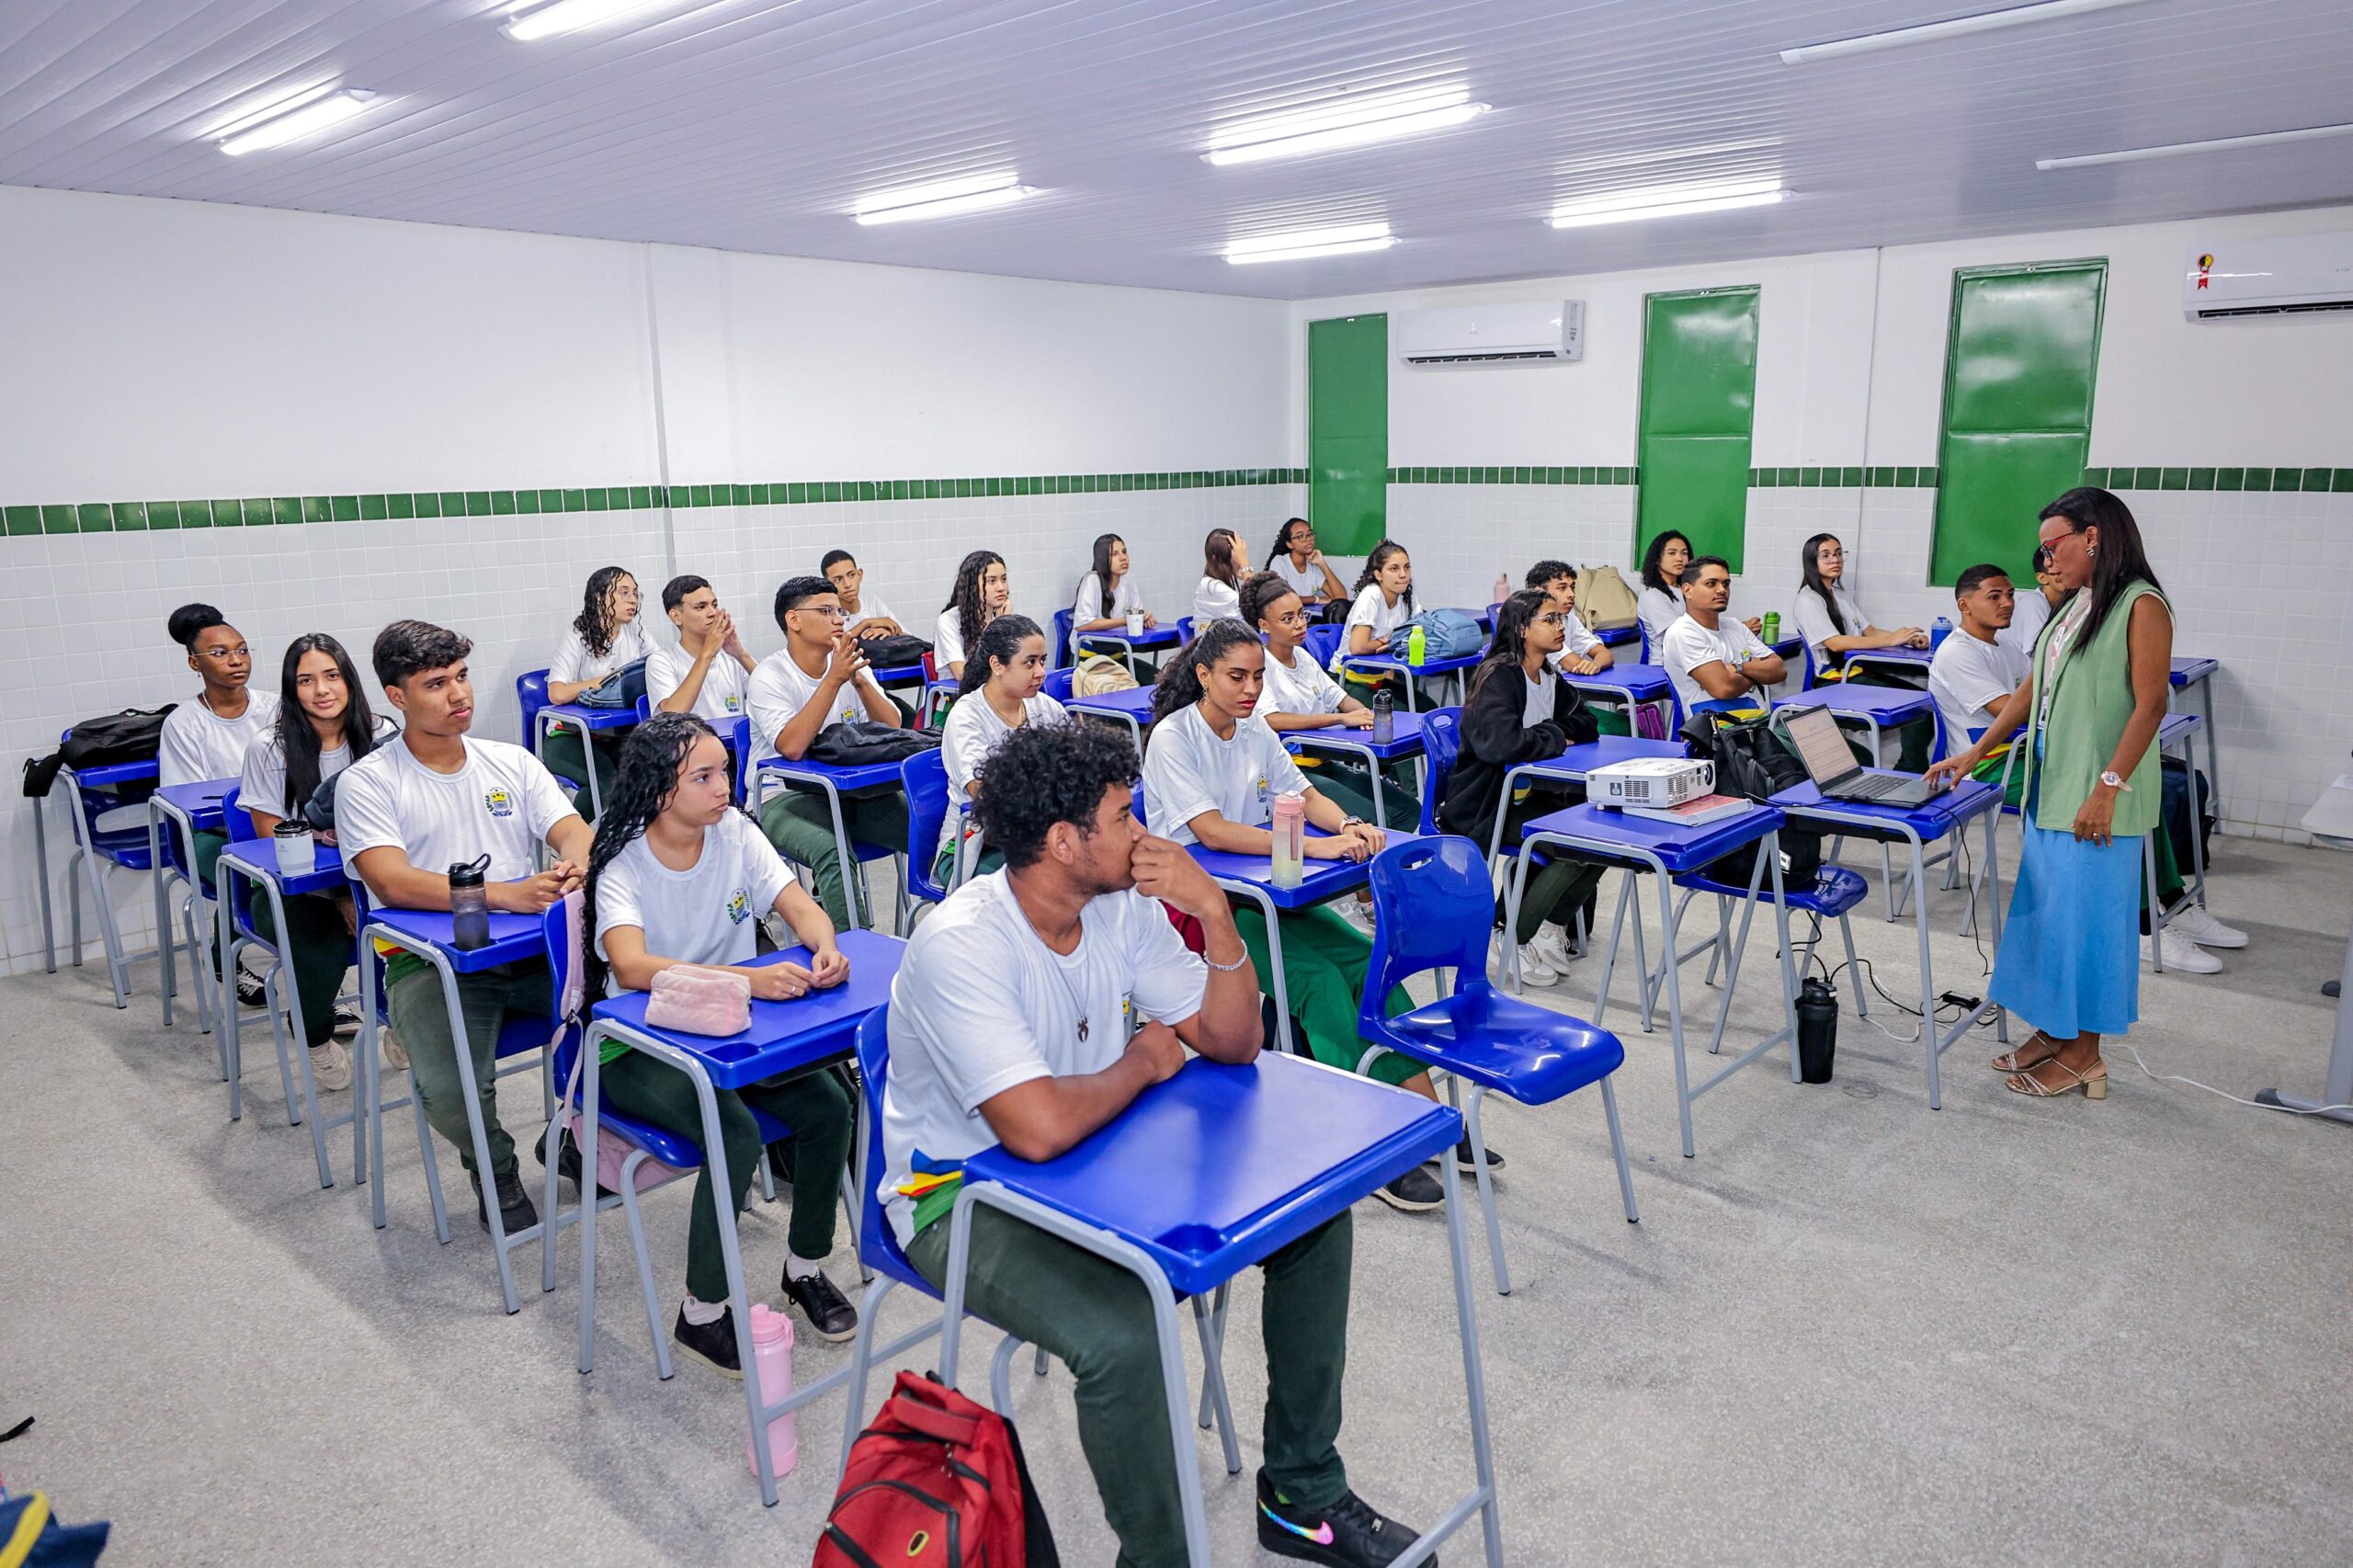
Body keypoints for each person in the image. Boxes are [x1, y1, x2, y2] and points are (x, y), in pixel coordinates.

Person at [881, 719, 1429, 1568]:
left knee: (1314, 1222)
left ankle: (1299, 1493)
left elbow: (1231, 1040)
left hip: (1098, 1158)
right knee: (1123, 1330)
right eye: (1125, 817)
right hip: (957, 1194)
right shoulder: (964, 944)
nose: (1143, 834)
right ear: (1065, 842)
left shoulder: (1117, 906)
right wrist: (1142, 1058)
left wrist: (1212, 908)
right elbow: (1035, 1129)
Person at [1143, 620, 1474, 1212]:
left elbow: (1304, 795)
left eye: (1257, 677)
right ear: (1202, 675)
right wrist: (1309, 848)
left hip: (1265, 891)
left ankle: (1426, 1114)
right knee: (1319, 982)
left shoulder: (1253, 730)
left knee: (1368, 959)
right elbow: (1210, 830)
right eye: (1236, 676)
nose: (1250, 689)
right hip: (1197, 906)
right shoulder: (1174, 737)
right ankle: (1371, 1142)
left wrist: (1344, 824)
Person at [585, 711, 859, 1358]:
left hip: (733, 1031)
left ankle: (805, 1268)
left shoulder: (735, 833)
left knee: (830, 1105)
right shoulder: (624, 860)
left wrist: (824, 946)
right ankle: (701, 1308)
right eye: (702, 777)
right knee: (730, 1132)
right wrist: (745, 979)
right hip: (640, 1040)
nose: (723, 787)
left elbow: (796, 903)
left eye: (724, 771)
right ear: (658, 791)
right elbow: (630, 967)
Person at [337, 619, 591, 1235]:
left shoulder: (510, 761)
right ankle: (494, 1167)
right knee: (449, 1092)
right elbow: (391, 881)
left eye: (461, 677)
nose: (458, 695)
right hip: (431, 964)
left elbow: (571, 828)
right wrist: (507, 895)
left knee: (630, 1018)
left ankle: (577, 1135)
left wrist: (577, 865)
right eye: (435, 684)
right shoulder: (367, 782)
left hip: (533, 953)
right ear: (397, 697)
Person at [1925, 487, 2175, 1100]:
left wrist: (2107, 788)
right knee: (2047, 921)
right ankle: (2053, 1031)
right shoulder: (2075, 605)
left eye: (2052, 546)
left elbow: (2152, 703)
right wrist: (1974, 752)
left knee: (2090, 925)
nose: (2046, 562)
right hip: (2052, 787)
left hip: (2097, 796)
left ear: (2094, 536)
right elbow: (2033, 689)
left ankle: (2086, 1052)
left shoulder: (2141, 605)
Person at [239, 633, 389, 1089]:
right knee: (321, 943)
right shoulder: (268, 747)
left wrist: (356, 893)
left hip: (370, 880)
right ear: (291, 689)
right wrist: (341, 895)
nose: (322, 690)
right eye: (306, 680)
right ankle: (314, 1033)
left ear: (349, 681)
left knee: (416, 929)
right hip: (291, 890)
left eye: (332, 676)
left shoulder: (383, 734)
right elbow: (273, 845)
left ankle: (402, 1021)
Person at [1440, 590, 1608, 987]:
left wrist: (1547, 732)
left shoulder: (1547, 673)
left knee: (1603, 839)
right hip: (1485, 803)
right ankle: (1509, 934)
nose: (1560, 625)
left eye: (1559, 619)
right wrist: (1552, 735)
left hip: (1532, 796)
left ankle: (1549, 925)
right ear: (1521, 629)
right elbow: (1500, 744)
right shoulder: (1500, 675)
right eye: (1549, 620)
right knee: (1565, 841)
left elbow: (1586, 723)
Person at [746, 575, 910, 928]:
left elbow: (893, 725)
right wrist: (833, 679)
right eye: (826, 611)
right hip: (782, 797)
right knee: (832, 851)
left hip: (852, 793)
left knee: (925, 827)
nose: (839, 619)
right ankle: (857, 948)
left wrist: (859, 680)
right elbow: (791, 747)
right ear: (794, 620)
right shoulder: (769, 675)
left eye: (839, 611)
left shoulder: (846, 664)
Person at [159, 604, 281, 1008]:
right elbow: (187, 803)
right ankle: (222, 957)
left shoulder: (276, 708)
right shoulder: (183, 722)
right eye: (220, 653)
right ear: (194, 662)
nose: (236, 660)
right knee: (246, 869)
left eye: (243, 650)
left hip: (273, 827)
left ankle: (311, 976)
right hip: (207, 836)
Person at [1238, 571, 1410, 839]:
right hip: (1291, 769)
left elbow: (1340, 698)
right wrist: (1340, 719)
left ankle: (1376, 872)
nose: (1299, 624)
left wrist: (1363, 713)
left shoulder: (1303, 658)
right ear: (1264, 624)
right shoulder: (1260, 666)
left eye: (1301, 614)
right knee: (1378, 817)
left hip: (1324, 761)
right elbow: (1272, 720)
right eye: (1288, 619)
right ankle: (1369, 871)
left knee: (1408, 810)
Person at [937, 614, 1063, 886]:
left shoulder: (1046, 708)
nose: (1041, 672)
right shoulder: (967, 716)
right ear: (997, 664)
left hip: (1037, 832)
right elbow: (983, 793)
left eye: (1042, 661)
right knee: (1045, 877)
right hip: (973, 842)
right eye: (1030, 662)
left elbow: (1076, 769)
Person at [1793, 532, 1933, 771]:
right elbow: (1835, 643)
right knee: (1917, 707)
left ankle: (1908, 771)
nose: (1835, 560)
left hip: (1853, 674)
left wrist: (1906, 639)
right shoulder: (1809, 600)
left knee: (1923, 701)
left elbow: (1869, 631)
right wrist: (1891, 639)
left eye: (1838, 554)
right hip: (1833, 681)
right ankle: (1910, 773)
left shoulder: (1839, 595)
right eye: (1826, 556)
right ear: (1811, 561)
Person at [543, 565, 654, 820]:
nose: (632, 600)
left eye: (635, 593)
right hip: (569, 738)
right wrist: (601, 682)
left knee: (653, 777)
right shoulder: (576, 636)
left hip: (616, 737)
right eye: (623, 592)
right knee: (605, 786)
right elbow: (557, 693)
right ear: (599, 597)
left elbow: (658, 668)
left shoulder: (636, 633)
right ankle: (569, 841)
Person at [1927, 563, 2031, 803]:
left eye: (2010, 595)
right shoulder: (1958, 652)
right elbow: (2011, 711)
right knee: (2070, 786)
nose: (2007, 603)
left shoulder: (2007, 646)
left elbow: (2040, 693)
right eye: (1994, 597)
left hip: (2017, 752)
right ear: (1965, 606)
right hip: (1984, 765)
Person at [1659, 556, 1786, 719]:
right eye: (1711, 584)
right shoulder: (1683, 632)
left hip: (1760, 724)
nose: (1722, 590)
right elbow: (1724, 688)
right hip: (1717, 732)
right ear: (1687, 590)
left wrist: (1738, 667)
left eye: (1725, 584)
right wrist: (1759, 673)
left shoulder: (1735, 626)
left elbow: (1779, 670)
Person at [645, 574, 755, 722]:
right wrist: (707, 654)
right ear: (676, 617)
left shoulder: (731, 656)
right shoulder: (661, 661)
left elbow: (773, 693)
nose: (713, 613)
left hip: (735, 745)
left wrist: (741, 654)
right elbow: (673, 716)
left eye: (714, 605)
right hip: (690, 745)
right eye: (701, 607)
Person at [1070, 533, 1154, 660]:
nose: (1123, 558)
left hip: (1116, 655)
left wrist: (1144, 620)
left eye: (1124, 552)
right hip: (1087, 657)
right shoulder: (1092, 581)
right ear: (1102, 558)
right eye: (1114, 554)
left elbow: (1135, 615)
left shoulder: (1129, 580)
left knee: (1159, 677)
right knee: (1124, 680)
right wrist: (1126, 621)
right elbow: (1082, 624)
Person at [1527, 559, 1616, 674]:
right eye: (1562, 588)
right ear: (1539, 591)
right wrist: (1590, 666)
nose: (1571, 594)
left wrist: (1596, 665)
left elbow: (1605, 654)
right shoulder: (1536, 624)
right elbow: (1572, 664)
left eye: (1572, 587)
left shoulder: (1568, 616)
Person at [936, 549, 1009, 681]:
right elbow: (962, 675)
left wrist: (1008, 623)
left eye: (1004, 579)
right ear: (973, 585)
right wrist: (1001, 627)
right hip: (961, 698)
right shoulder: (948, 621)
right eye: (992, 581)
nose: (1001, 587)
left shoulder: (1003, 616)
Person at [1263, 516, 1348, 607]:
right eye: (1300, 536)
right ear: (1289, 544)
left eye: (1310, 534)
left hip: (1308, 617)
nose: (1308, 539)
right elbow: (1279, 597)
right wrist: (1316, 599)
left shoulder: (1312, 565)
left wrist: (1322, 563)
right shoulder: (1280, 562)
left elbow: (1342, 598)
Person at [821, 549, 904, 642]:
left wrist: (889, 633)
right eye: (838, 580)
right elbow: (832, 648)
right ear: (828, 585)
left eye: (851, 575)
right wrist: (865, 624)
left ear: (859, 575)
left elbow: (907, 636)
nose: (847, 584)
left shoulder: (872, 602)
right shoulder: (828, 615)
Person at [1999, 544, 2063, 659]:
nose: (2068, 573)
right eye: (2059, 571)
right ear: (2042, 578)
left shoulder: (2068, 604)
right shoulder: (2032, 602)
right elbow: (2042, 653)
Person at [1636, 530, 1694, 652]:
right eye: (1672, 553)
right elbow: (1678, 635)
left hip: (1692, 657)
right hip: (1665, 664)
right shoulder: (1652, 594)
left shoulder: (1685, 589)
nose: (1679, 559)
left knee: (1738, 662)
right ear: (1657, 559)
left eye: (1684, 553)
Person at [1192, 527, 1246, 623]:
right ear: (1217, 558)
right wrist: (1245, 565)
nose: (1240, 559)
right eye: (1237, 554)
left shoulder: (1235, 580)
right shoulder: (1212, 588)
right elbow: (1255, 608)